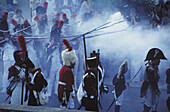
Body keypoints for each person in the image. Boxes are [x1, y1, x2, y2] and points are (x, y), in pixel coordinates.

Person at [140, 48, 167, 112]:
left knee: (153, 104)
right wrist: (157, 89)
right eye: (158, 59)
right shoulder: (150, 68)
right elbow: (152, 81)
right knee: (148, 104)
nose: (159, 61)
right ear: (154, 59)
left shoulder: (154, 68)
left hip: (152, 87)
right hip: (149, 87)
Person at [58, 39, 78, 109]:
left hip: (63, 92)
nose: (75, 63)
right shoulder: (68, 70)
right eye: (73, 61)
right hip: (65, 94)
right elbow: (69, 86)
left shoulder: (64, 68)